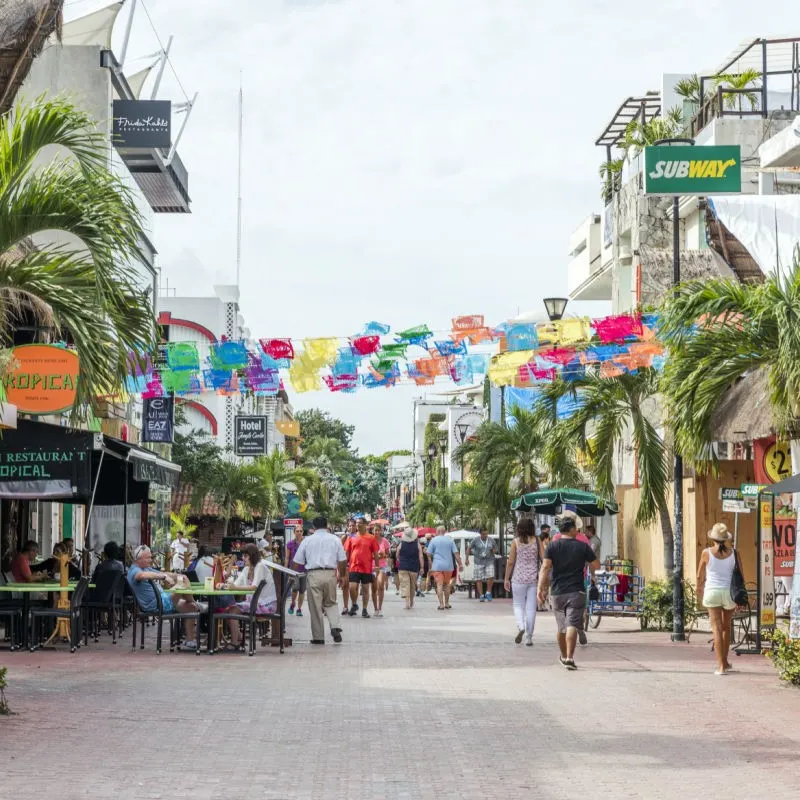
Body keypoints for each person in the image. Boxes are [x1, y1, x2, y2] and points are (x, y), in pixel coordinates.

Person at [537, 518, 600, 670]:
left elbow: (545, 568)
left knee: (561, 627)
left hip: (558, 591)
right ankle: (570, 658)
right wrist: (592, 574)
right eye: (576, 528)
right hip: (577, 590)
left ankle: (564, 656)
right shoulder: (582, 546)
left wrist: (541, 588)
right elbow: (596, 564)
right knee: (572, 624)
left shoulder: (552, 546)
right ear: (571, 529)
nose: (577, 531)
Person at [127, 545, 201, 649]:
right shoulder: (134, 570)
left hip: (163, 600)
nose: (151, 560)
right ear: (138, 559)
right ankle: (198, 604)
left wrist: (177, 576)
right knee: (183, 586)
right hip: (156, 605)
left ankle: (189, 641)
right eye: (148, 557)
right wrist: (164, 577)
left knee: (191, 607)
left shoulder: (145, 568)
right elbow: (142, 576)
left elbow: (163, 573)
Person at [291, 516, 347, 644]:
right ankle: (335, 626)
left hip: (313, 575)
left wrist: (291, 574)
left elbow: (296, 561)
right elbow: (342, 560)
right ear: (326, 525)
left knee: (315, 607)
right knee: (331, 602)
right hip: (330, 574)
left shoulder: (307, 540)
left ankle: (318, 637)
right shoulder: (335, 539)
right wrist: (342, 576)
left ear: (313, 527)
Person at [697, 522, 739, 675]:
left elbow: (699, 575)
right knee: (727, 628)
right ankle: (725, 662)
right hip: (729, 593)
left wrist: (699, 589)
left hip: (712, 592)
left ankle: (721, 666)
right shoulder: (734, 553)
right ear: (726, 539)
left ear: (713, 538)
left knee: (716, 628)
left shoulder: (706, 553)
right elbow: (741, 575)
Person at [218, 544, 277, 646]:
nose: (243, 558)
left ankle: (235, 642)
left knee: (232, 611)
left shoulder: (260, 566)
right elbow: (235, 585)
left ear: (252, 556)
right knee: (227, 610)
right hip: (254, 603)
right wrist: (223, 585)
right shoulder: (246, 569)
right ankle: (239, 639)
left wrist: (234, 587)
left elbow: (254, 587)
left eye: (245, 556)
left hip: (266, 605)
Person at [504, 519, 543, 646]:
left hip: (518, 578)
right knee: (531, 608)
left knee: (518, 605)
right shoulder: (537, 541)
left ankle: (521, 626)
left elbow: (510, 562)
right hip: (533, 579)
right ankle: (529, 637)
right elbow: (544, 559)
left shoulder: (516, 542)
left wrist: (506, 578)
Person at [345, 520, 380, 617]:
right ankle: (354, 604)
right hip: (353, 567)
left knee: (365, 589)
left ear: (365, 525)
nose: (357, 524)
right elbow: (347, 552)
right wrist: (344, 565)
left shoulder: (371, 538)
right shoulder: (352, 537)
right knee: (352, 587)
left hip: (366, 568)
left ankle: (364, 609)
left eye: (359, 523)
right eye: (356, 523)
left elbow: (376, 554)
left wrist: (377, 567)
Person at [426, 529, 463, 610]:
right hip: (448, 566)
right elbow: (456, 553)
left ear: (437, 532)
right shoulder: (450, 540)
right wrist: (460, 564)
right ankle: (447, 603)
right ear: (444, 532)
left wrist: (430, 562)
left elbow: (428, 553)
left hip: (437, 566)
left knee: (439, 585)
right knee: (447, 585)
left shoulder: (433, 540)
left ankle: (441, 604)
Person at [466, 527, 498, 602]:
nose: (485, 535)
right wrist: (467, 559)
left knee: (490, 576)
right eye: (483, 534)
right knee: (479, 578)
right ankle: (481, 595)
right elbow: (469, 548)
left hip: (489, 561)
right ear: (480, 534)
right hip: (478, 561)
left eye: (486, 534)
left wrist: (493, 550)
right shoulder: (475, 540)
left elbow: (496, 549)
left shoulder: (491, 540)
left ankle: (488, 592)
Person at [397, 528, 424, 609]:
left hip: (403, 567)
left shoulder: (401, 544)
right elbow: (421, 556)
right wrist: (422, 567)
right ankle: (411, 601)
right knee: (412, 585)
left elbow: (397, 554)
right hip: (414, 567)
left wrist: (399, 560)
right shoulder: (417, 544)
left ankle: (407, 603)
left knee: (405, 585)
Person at [286, 525, 307, 617]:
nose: (299, 532)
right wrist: (286, 569)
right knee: (295, 588)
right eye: (297, 531)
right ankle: (293, 603)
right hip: (293, 570)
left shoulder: (306, 543)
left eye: (300, 531)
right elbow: (287, 558)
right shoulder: (290, 544)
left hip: (304, 570)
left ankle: (299, 609)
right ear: (294, 532)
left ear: (303, 532)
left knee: (302, 590)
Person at [371, 525, 391, 617]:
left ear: (381, 531)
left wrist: (383, 555)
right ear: (373, 531)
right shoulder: (370, 540)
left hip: (382, 566)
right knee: (374, 588)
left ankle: (380, 608)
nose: (377, 532)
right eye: (375, 530)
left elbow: (388, 554)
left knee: (380, 585)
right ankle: (375, 608)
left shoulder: (385, 541)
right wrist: (374, 556)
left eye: (379, 530)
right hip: (372, 566)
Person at [340, 520, 358, 614]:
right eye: (350, 526)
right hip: (346, 565)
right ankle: (345, 606)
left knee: (354, 587)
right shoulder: (345, 537)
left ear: (356, 527)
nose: (351, 527)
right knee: (345, 586)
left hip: (356, 565)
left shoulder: (359, 537)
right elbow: (339, 552)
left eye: (353, 526)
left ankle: (354, 605)